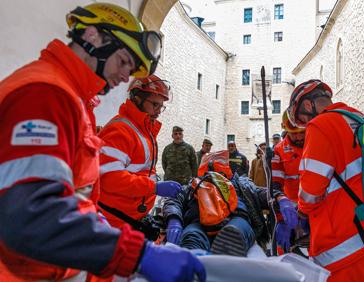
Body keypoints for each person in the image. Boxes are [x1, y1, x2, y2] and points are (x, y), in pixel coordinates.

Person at [0, 3, 205, 282]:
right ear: (94, 37)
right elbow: (30, 217)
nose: (124, 77)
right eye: (123, 61)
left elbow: (71, 192)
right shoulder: (45, 95)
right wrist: (135, 254)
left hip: (59, 261)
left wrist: (97, 221)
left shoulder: (72, 99)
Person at [288, 79, 364, 281]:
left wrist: (300, 214)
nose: (304, 126)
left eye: (301, 120)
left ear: (308, 105)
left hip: (350, 250)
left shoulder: (321, 125)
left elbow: (311, 193)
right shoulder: (361, 118)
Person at [162, 151, 297, 256]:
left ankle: (210, 259)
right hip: (203, 222)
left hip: (232, 220)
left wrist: (280, 198)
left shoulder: (240, 184)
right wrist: (174, 219)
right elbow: (174, 200)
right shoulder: (194, 185)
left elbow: (263, 194)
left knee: (231, 234)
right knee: (192, 238)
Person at [96, 75, 182, 231]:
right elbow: (110, 178)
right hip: (114, 221)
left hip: (132, 217)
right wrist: (154, 187)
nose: (158, 111)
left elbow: (143, 171)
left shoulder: (145, 132)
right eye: (154, 104)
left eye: (161, 106)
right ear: (137, 99)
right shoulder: (120, 130)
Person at [271, 111, 305, 203]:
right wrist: (280, 198)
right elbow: (276, 181)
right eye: (294, 134)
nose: (299, 137)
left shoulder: (316, 144)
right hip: (292, 203)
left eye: (302, 132)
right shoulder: (278, 150)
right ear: (286, 130)